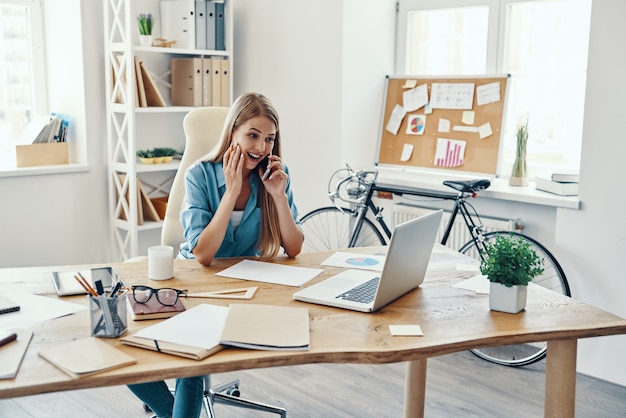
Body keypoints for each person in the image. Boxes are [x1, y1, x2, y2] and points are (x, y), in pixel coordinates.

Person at [127, 92, 304, 418]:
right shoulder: (200, 174)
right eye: (253, 135)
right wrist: (231, 191)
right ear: (232, 131)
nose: (261, 148)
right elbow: (204, 255)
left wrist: (278, 196)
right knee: (120, 335)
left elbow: (294, 247)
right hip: (193, 279)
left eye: (269, 139)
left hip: (243, 286)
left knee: (194, 352)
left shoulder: (274, 177)